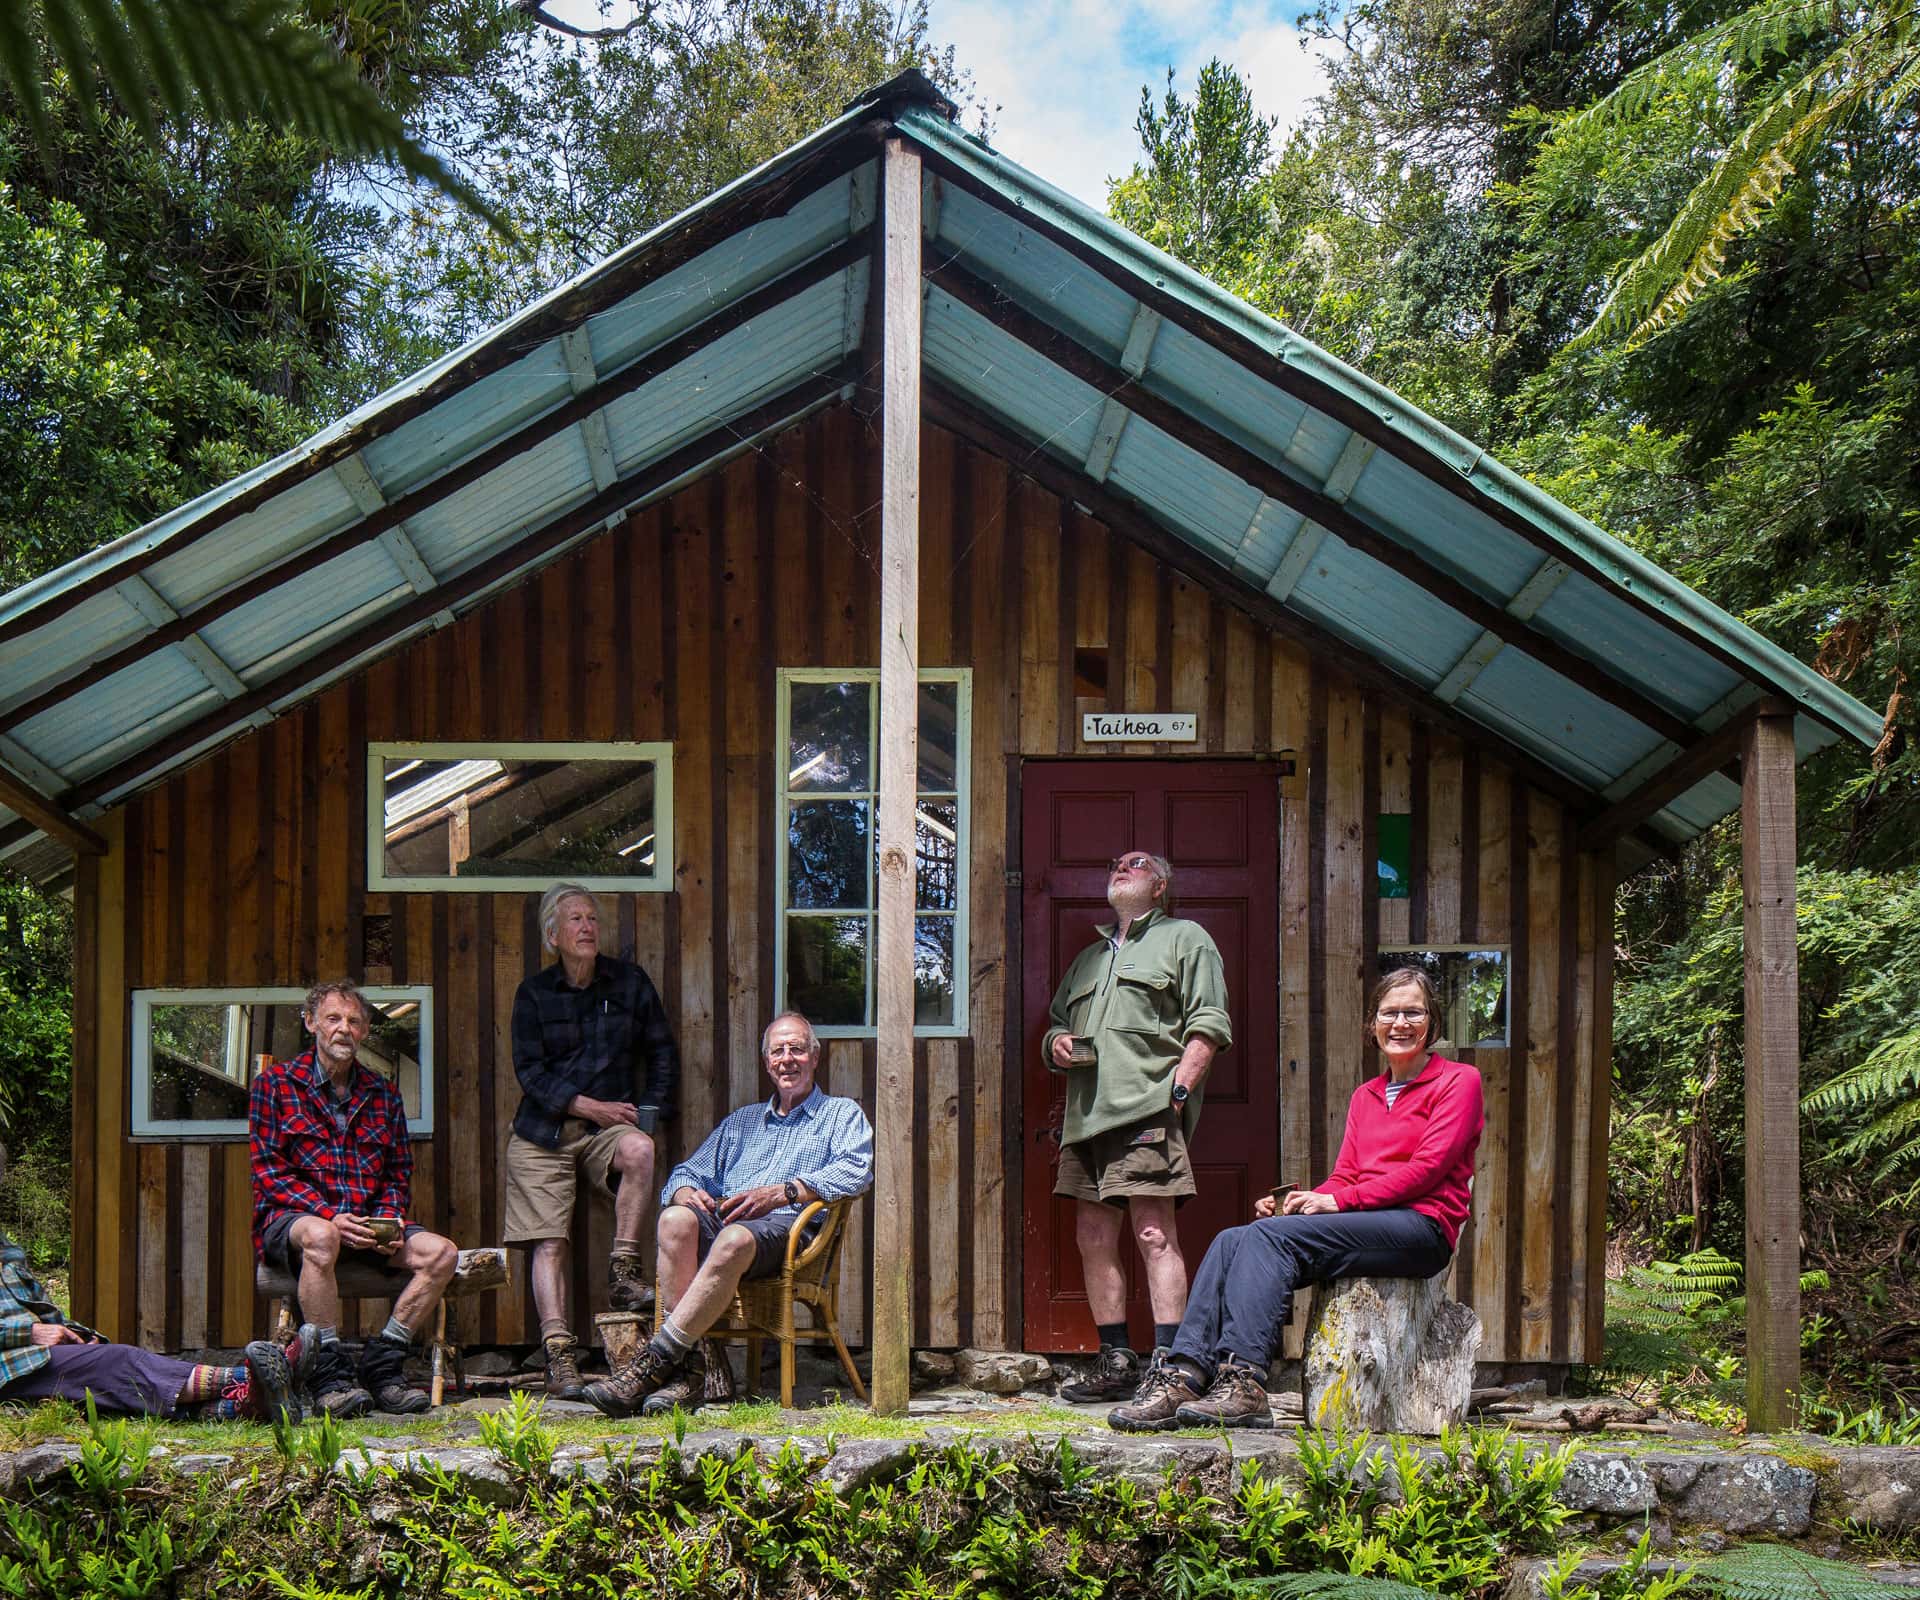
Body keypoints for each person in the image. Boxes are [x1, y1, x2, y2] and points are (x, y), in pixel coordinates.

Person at [1109, 964, 1484, 1431]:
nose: (1400, 1023)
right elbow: (1346, 1176)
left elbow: (1427, 1170)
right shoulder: (1366, 1095)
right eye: (1390, 1013)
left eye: (1414, 1013)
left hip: (1421, 1228)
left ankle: (1244, 1382)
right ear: (1373, 1023)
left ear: (1433, 1022)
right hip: (1368, 1221)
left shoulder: (1459, 1081)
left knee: (1269, 1239)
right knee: (1233, 1239)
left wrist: (1338, 1203)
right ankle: (1183, 1376)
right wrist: (1301, 1203)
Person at [583, 1011, 872, 1417]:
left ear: (815, 1057)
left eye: (797, 1049)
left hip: (789, 1232)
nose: (787, 1059)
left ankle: (654, 1362)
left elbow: (857, 1171)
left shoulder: (840, 1114)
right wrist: (687, 1192)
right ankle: (687, 1375)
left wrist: (783, 1192)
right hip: (729, 1223)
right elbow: (685, 1173)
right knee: (675, 1219)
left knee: (733, 1238)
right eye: (778, 1051)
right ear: (767, 1062)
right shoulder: (742, 1122)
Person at [1043, 850, 1232, 1404]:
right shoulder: (1088, 959)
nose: (1122, 868)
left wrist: (1178, 1093)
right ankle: (1118, 1362)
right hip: (1085, 1119)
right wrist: (1056, 1043)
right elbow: (1055, 1024)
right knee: (1092, 1238)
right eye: (1116, 865)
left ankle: (1171, 1369)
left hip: (1147, 1109)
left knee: (1154, 1234)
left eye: (1138, 863)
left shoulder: (1185, 938)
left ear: (1161, 885)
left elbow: (1209, 1023)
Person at [250, 978, 457, 1417]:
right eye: (333, 1018)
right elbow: (270, 1173)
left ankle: (384, 1365)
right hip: (296, 1220)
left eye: (354, 1021)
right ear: (311, 1023)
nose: (343, 1028)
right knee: (323, 1235)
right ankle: (329, 1374)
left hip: (364, 1222)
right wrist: (330, 1216)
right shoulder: (275, 1085)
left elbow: (398, 1172)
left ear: (364, 1031)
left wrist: (388, 1219)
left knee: (442, 1253)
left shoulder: (383, 1094)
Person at [508, 882, 680, 1399]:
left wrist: (648, 1114)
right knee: (549, 1242)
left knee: (641, 1149)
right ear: (553, 935)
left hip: (610, 1128)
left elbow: (662, 1052)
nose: (587, 927)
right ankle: (558, 1354)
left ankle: (624, 1273)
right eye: (575, 920)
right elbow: (529, 1073)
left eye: (592, 919)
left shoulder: (629, 983)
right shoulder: (533, 994)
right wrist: (588, 1106)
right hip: (543, 1130)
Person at [4, 1144, 313, 1422]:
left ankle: (248, 1405)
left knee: (121, 1391)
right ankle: (259, 1375)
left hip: (36, 1359)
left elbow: (50, 1318)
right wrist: (30, 1333)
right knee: (120, 1362)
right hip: (11, 1366)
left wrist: (80, 1337)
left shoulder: (8, 1252)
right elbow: (38, 1329)